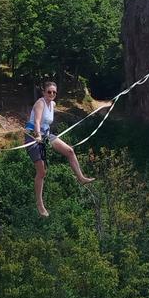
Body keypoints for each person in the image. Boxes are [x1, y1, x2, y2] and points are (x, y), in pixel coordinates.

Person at [25, 81, 95, 217]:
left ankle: (81, 178)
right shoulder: (40, 103)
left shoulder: (53, 104)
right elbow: (37, 121)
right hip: (33, 135)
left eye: (54, 92)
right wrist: (38, 135)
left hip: (46, 134)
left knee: (69, 151)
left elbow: (47, 121)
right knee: (41, 172)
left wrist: (44, 135)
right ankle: (39, 204)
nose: (52, 94)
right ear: (43, 92)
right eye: (49, 92)